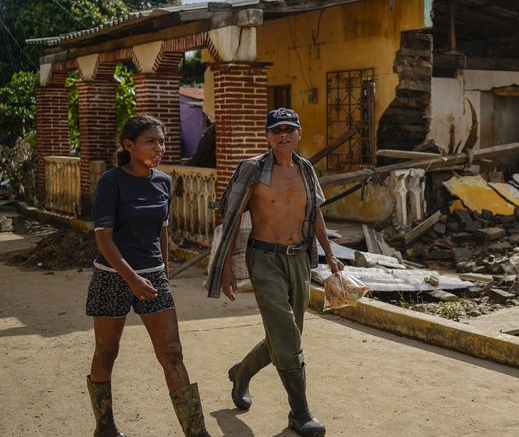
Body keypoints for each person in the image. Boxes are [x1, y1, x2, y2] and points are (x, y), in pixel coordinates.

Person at [205, 107, 343, 437]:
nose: (282, 134)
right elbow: (232, 216)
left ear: (298, 133)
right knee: (286, 335)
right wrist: (225, 268)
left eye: (288, 129)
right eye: (276, 130)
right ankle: (300, 413)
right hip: (264, 259)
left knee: (286, 336)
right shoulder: (252, 169)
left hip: (298, 259)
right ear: (267, 135)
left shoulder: (306, 169)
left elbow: (316, 214)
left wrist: (330, 254)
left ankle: (241, 373)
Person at [86, 114, 209, 437]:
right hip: (112, 276)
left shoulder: (163, 182)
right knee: (107, 350)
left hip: (153, 277)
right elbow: (103, 237)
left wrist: (163, 273)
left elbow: (162, 231)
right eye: (150, 141)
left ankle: (197, 432)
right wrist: (131, 279)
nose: (159, 147)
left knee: (172, 353)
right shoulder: (111, 182)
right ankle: (105, 425)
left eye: (162, 141)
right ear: (129, 145)